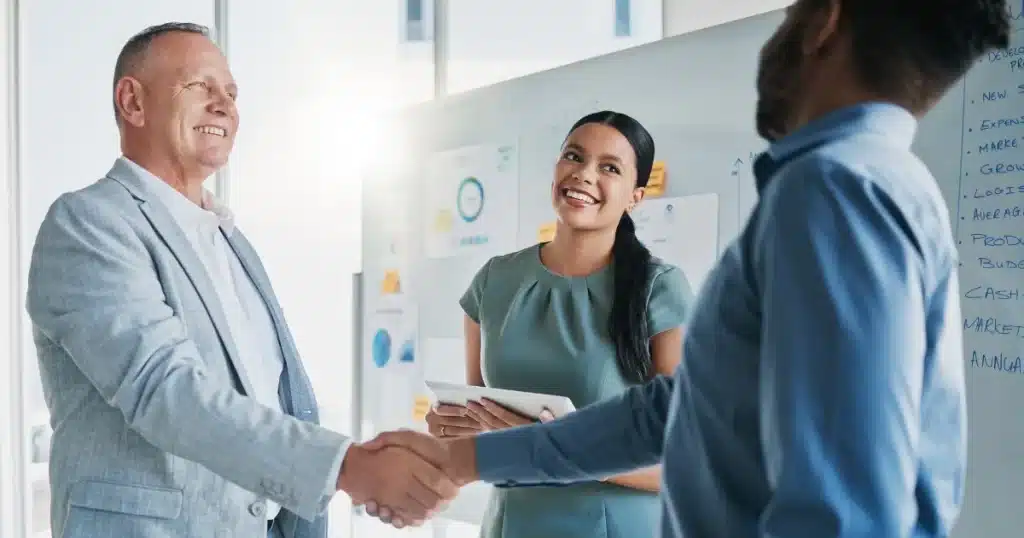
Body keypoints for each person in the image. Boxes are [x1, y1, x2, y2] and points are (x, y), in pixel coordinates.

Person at [364, 0, 1012, 536]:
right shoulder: (872, 184)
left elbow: (844, 511)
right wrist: (465, 458)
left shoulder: (834, 191)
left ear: (824, 22)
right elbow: (680, 409)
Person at [25, 22, 455, 538]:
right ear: (132, 102)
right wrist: (347, 466)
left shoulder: (231, 240)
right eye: (199, 87)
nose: (224, 105)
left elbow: (273, 398)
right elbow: (167, 390)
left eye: (230, 92)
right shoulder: (89, 223)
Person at [422, 111, 693, 537]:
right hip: (512, 524)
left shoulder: (659, 289)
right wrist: (449, 427)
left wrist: (551, 446)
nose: (584, 174)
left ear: (635, 196)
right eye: (574, 156)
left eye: (609, 167)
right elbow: (475, 419)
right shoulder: (494, 281)